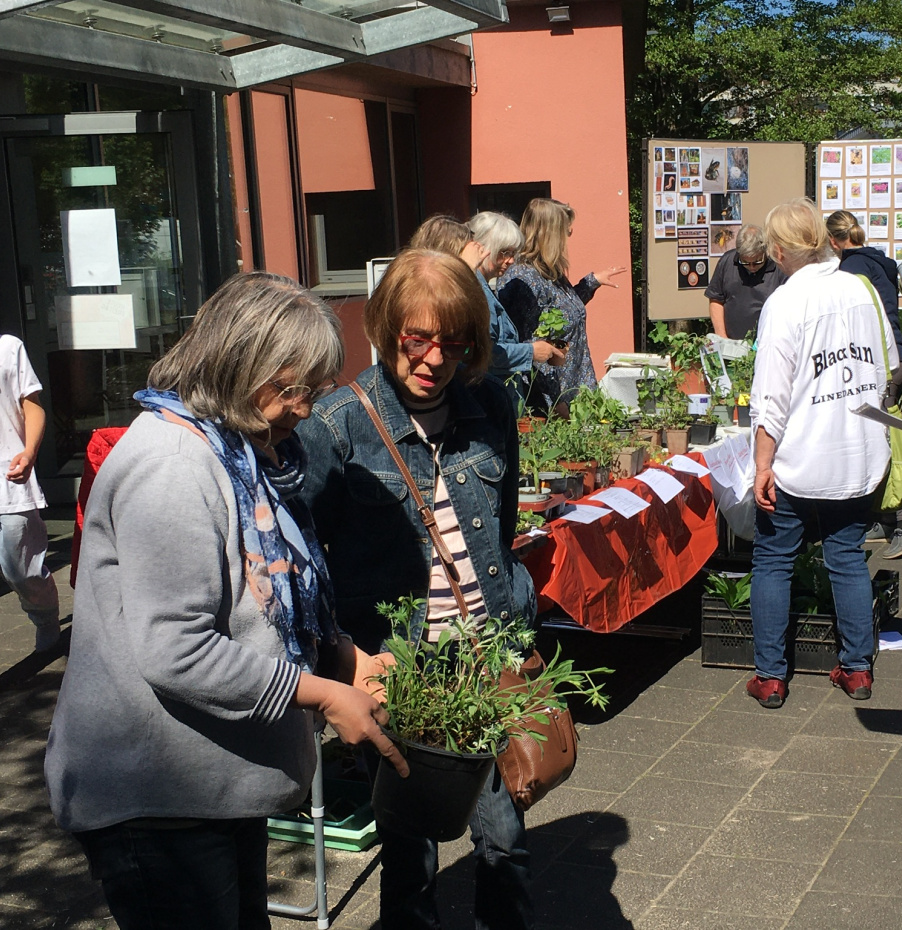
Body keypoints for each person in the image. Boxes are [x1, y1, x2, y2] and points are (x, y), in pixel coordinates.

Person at [44, 272, 408, 929]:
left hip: (209, 787)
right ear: (244, 367)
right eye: (298, 388)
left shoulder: (240, 452)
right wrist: (323, 694)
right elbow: (176, 650)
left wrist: (342, 657)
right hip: (158, 799)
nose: (308, 408)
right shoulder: (173, 467)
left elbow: (260, 600)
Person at [297, 249, 538, 930]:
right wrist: (341, 663)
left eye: (454, 342)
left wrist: (514, 627)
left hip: (481, 663)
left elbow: (505, 523)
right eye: (417, 339)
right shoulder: (336, 427)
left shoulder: (489, 405)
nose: (435, 358)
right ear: (384, 328)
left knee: (504, 843)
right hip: (397, 672)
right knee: (410, 853)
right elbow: (305, 559)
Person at [746, 198, 895, 709]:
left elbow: (771, 394)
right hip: (858, 452)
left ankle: (770, 676)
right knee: (848, 558)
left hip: (799, 455)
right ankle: (857, 669)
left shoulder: (784, 303)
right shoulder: (861, 289)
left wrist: (762, 463)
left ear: (780, 249)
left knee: (773, 559)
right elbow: (889, 363)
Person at [0, 274, 60, 710]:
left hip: (9, 483)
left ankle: (44, 617)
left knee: (21, 570)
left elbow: (33, 405)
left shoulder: (6, 349)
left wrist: (29, 452)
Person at [825, 211, 902, 560]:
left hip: (878, 363)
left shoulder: (851, 269)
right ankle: (882, 518)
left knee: (888, 442)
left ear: (834, 241)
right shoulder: (880, 261)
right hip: (895, 354)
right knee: (879, 436)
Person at [498, 198, 625, 408]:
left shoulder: (548, 272)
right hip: (552, 403)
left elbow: (562, 314)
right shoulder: (524, 279)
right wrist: (556, 403)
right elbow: (530, 344)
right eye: (565, 230)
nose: (570, 234)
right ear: (549, 234)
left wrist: (591, 283)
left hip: (574, 394)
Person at [467, 211, 565, 394]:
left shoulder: (484, 287)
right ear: (483, 248)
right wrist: (531, 352)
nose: (511, 260)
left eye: (513, 254)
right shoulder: (475, 292)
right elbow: (483, 354)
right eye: (504, 253)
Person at [704, 224, 787, 340]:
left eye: (757, 262)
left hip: (769, 343)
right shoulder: (727, 261)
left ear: (765, 252)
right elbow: (716, 299)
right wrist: (722, 337)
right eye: (746, 263)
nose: (752, 267)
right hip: (731, 342)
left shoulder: (780, 267)